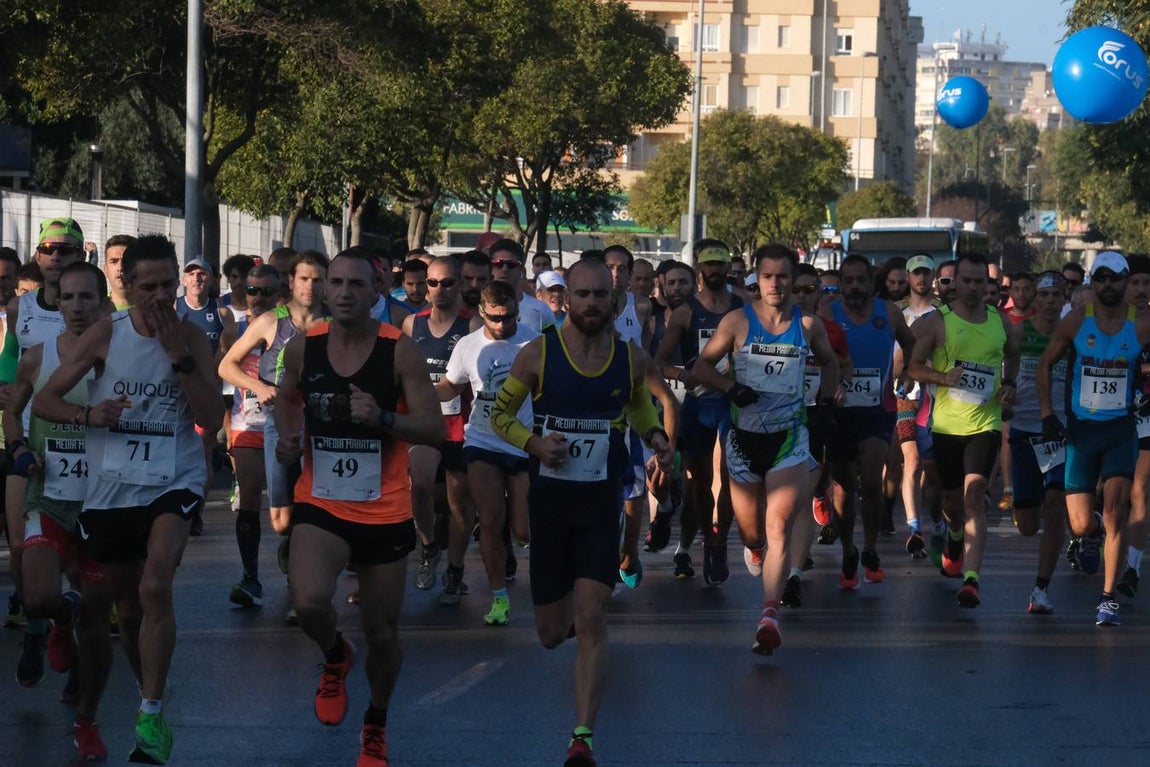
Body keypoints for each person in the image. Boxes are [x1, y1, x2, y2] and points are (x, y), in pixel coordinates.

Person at [33, 234, 221, 764]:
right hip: (112, 486)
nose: (162, 295)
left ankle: (152, 710)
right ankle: (150, 699)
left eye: (169, 283)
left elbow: (214, 415)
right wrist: (89, 415)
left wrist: (180, 358)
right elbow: (47, 400)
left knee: (156, 583)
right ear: (128, 285)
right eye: (150, 285)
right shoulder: (104, 335)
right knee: (129, 607)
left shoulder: (190, 336)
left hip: (174, 478)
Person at [490, 258, 672, 767]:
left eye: (600, 296)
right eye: (583, 295)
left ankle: (582, 737)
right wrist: (533, 443)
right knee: (552, 634)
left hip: (599, 502)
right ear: (566, 298)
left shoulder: (629, 357)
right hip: (550, 504)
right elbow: (499, 415)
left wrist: (654, 435)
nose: (592, 304)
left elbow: (637, 404)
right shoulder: (537, 355)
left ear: (614, 303)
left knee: (592, 616)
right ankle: (565, 613)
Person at [274, 247, 444, 767]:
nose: (345, 292)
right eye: (336, 282)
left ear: (377, 293)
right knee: (307, 602)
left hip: (384, 508)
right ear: (323, 289)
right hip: (320, 500)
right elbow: (286, 395)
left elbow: (434, 428)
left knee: (383, 633)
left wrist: (385, 420)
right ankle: (334, 656)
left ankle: (376, 721)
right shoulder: (305, 347)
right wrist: (288, 433)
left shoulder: (399, 351)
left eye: (356, 285)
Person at [692, 244, 840, 653]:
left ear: (793, 280)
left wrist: (825, 404)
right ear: (757, 278)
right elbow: (700, 368)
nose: (775, 284)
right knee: (754, 534)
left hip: (789, 439)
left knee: (779, 528)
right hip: (743, 441)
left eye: (783, 276)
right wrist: (730, 387)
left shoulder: (808, 325)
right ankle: (754, 549)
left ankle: (769, 615)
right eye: (768, 276)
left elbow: (829, 363)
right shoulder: (737, 322)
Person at [4, 262, 110, 756]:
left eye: (87, 297)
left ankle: (86, 721)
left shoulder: (124, 359)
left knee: (97, 622)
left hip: (103, 505)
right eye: (67, 298)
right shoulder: (38, 356)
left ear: (104, 303)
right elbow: (12, 407)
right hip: (47, 494)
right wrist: (19, 447)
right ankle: (58, 617)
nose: (76, 307)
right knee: (40, 596)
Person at [1038, 251, 1150, 626]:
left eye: (1114, 279)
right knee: (1083, 524)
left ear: (1124, 282)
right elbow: (1045, 364)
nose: (1106, 285)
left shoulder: (1142, 324)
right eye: (1099, 278)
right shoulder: (1075, 321)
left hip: (1121, 431)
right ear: (1092, 283)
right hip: (1081, 433)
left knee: (1119, 510)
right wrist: (1047, 414)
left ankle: (1107, 599)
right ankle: (1095, 532)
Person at [218, 250, 328, 622]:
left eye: (317, 279)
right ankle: (272, 561)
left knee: (315, 509)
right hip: (272, 423)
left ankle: (303, 591)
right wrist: (258, 387)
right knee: (281, 519)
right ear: (291, 283)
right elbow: (226, 365)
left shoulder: (335, 323)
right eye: (303, 278)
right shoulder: (271, 322)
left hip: (321, 429)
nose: (310, 286)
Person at [909, 252, 1018, 608]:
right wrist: (941, 377)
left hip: (984, 424)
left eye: (980, 282)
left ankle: (971, 579)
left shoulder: (999, 322)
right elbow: (913, 367)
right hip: (946, 426)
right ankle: (954, 535)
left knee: (975, 497)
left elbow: (1012, 354)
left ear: (988, 285)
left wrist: (1009, 383)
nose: (973, 288)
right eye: (966, 281)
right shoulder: (937, 321)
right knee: (953, 503)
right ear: (954, 282)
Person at [439, 281, 538, 624]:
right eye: (493, 318)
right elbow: (451, 385)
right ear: (481, 312)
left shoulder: (533, 342)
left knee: (523, 529)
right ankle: (499, 599)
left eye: (508, 317)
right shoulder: (467, 345)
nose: (500, 324)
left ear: (516, 311)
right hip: (482, 441)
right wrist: (417, 390)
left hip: (523, 442)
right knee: (491, 520)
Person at [2, 218, 84, 633]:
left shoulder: (97, 310)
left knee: (74, 553)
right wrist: (7, 386)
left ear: (79, 256)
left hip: (82, 441)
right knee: (18, 544)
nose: (55, 256)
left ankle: (69, 614)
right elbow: (11, 357)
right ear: (37, 255)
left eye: (65, 250)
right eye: (48, 249)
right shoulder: (22, 307)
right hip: (30, 439)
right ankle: (34, 618)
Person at [654, 239, 743, 584]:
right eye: (710, 264)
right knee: (700, 484)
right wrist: (682, 374)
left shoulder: (742, 306)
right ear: (699, 268)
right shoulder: (686, 312)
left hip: (732, 405)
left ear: (728, 266)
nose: (716, 270)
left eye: (721, 263)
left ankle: (720, 543)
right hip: (699, 405)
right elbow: (659, 362)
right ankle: (708, 539)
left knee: (733, 477)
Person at [823, 255, 915, 587]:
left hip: (878, 408)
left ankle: (872, 548)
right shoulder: (827, 311)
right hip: (839, 410)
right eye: (847, 281)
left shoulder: (888, 312)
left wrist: (907, 371)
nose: (854, 287)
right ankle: (849, 550)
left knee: (873, 479)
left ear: (870, 279)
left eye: (860, 280)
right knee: (844, 489)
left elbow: (911, 343)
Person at [401, 257, 478, 597]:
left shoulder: (473, 324)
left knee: (460, 504)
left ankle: (456, 569)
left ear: (460, 284)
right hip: (425, 423)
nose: (439, 289)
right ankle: (429, 547)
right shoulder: (411, 324)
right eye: (432, 283)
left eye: (447, 282)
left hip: (461, 425)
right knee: (418, 486)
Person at [218, 264, 280, 607]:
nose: (257, 298)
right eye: (251, 291)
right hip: (247, 427)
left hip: (285, 427)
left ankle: (297, 574)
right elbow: (224, 386)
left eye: (266, 292)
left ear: (280, 293)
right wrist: (227, 431)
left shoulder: (289, 330)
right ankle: (250, 577)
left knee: (287, 512)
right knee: (249, 504)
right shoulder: (235, 334)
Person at [1010, 271, 1070, 615]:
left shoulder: (1071, 336)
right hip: (1023, 430)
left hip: (1059, 432)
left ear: (1064, 299)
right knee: (1028, 525)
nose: (1050, 301)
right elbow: (1005, 373)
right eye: (1044, 295)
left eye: (1056, 295)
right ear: (1035, 299)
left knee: (1055, 505)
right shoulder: (1019, 333)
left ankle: (1041, 588)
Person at [893, 254, 945, 563]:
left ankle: (938, 523)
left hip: (935, 398)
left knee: (934, 477)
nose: (921, 279)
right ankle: (914, 529)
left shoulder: (943, 314)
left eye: (926, 273)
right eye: (915, 273)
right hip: (904, 396)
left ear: (933, 276)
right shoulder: (897, 312)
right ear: (908, 277)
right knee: (910, 462)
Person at [1123, 255, 1150, 598]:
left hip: (1146, 416)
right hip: (1105, 416)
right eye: (1136, 283)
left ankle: (1132, 566)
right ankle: (1094, 529)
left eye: (1148, 283)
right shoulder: (1102, 322)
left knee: (1140, 488)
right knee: (1110, 491)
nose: (1142, 290)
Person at [489, 239, 556, 332]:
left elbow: (551, 345)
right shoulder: (480, 309)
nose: (504, 269)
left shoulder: (542, 310)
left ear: (521, 269)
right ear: (490, 268)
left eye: (511, 264)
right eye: (498, 263)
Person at [103, 234, 135, 310]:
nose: (120, 267)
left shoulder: (155, 313)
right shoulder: (95, 311)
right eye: (113, 261)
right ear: (105, 270)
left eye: (127, 261)